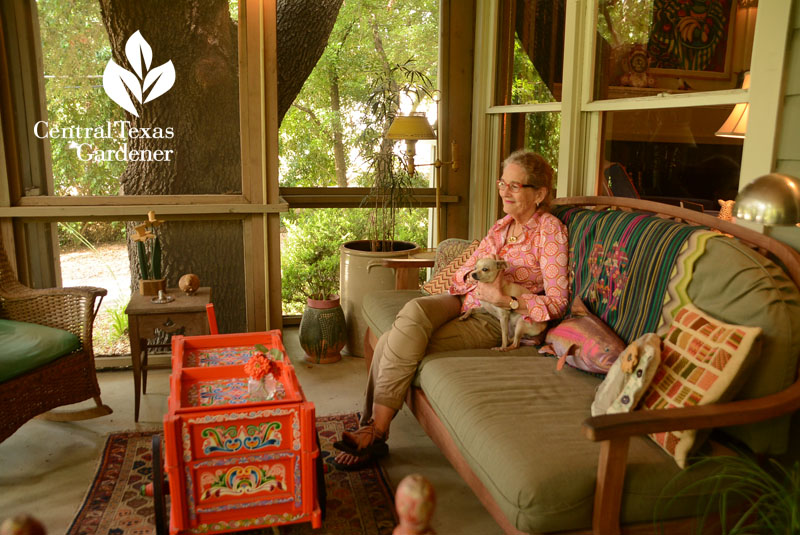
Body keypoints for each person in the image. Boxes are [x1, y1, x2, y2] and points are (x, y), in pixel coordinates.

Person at [332, 149, 570, 470]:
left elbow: (556, 303)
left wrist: (508, 300)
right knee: (414, 312)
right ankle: (372, 430)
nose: (504, 191)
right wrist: (472, 279)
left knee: (397, 340)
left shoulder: (550, 232)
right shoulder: (501, 227)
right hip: (463, 300)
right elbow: (463, 273)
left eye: (515, 186)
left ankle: (374, 430)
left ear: (539, 193)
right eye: (503, 183)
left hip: (494, 318)